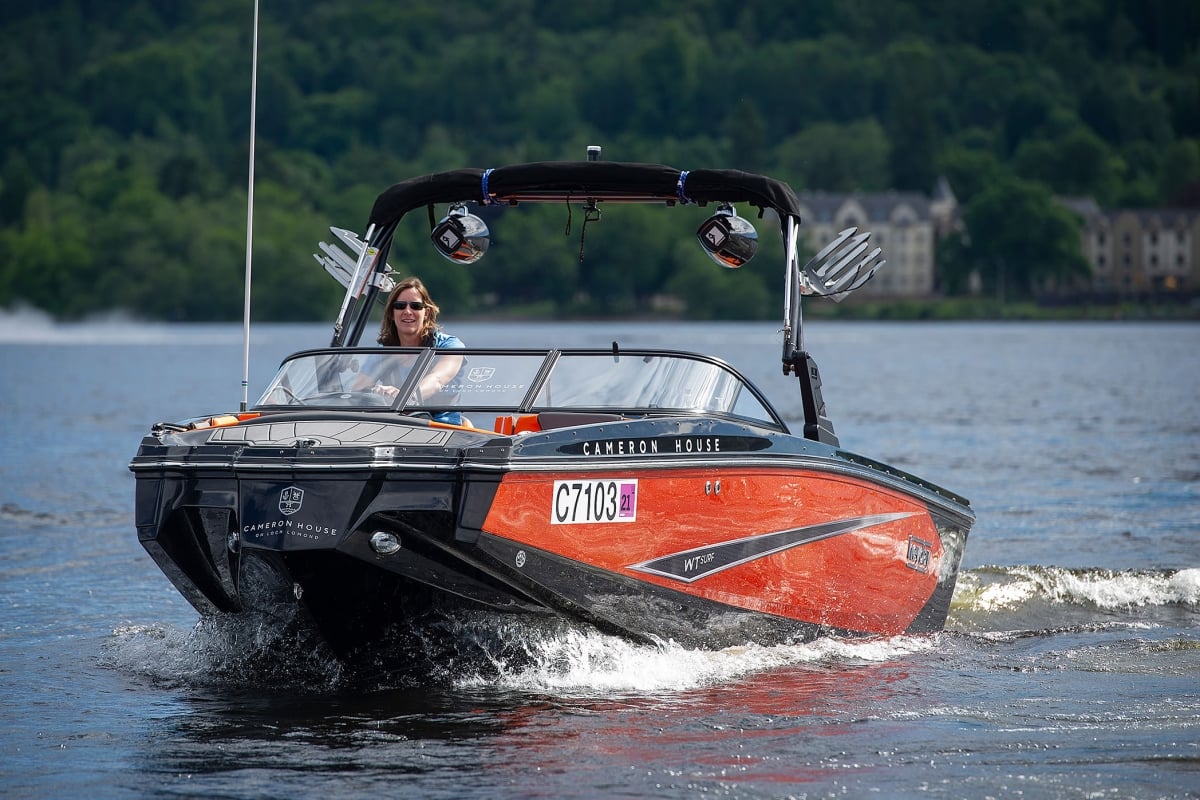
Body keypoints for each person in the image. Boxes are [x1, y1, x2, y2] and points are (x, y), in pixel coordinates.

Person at [371, 277, 466, 424]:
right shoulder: (382, 351)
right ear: (391, 312)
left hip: (444, 431)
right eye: (400, 306)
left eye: (415, 306)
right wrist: (373, 393)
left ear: (426, 313)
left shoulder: (451, 345)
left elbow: (437, 380)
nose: (408, 311)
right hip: (397, 427)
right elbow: (359, 386)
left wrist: (405, 397)